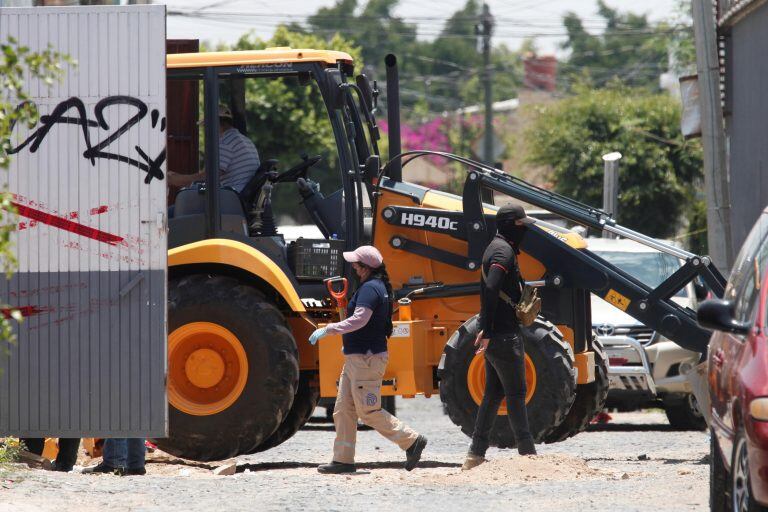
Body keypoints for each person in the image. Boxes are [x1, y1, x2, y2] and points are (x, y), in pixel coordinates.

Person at [309, 245, 428, 474]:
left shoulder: (370, 289)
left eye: (356, 263)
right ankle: (343, 459)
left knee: (368, 411)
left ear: (365, 267)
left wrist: (330, 329)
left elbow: (359, 321)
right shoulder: (376, 287)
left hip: (366, 359)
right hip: (357, 359)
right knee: (343, 409)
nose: (353, 266)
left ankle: (411, 441)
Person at [462, 203, 538, 471]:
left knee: (494, 393)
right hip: (504, 335)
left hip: (499, 334)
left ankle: (475, 453)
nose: (524, 232)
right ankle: (527, 453)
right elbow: (492, 287)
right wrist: (489, 330)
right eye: (521, 226)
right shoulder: (502, 251)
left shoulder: (497, 247)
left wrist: (486, 329)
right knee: (516, 392)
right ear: (510, 226)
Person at [166, 105, 260, 194]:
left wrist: (175, 179)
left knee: (178, 204)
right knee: (192, 192)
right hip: (235, 195)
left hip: (231, 198)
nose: (205, 130)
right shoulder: (245, 140)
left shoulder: (225, 142)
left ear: (215, 123)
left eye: (205, 125)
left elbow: (209, 177)